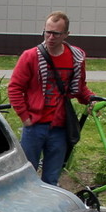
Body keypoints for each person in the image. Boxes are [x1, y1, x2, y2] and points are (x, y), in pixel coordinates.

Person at [8, 11, 96, 186]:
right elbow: (15, 88)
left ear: (66, 35)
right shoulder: (31, 56)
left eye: (56, 33)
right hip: (35, 127)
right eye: (47, 32)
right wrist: (25, 117)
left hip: (60, 129)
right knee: (26, 178)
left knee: (51, 180)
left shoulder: (75, 57)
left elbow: (79, 87)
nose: (50, 37)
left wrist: (91, 99)